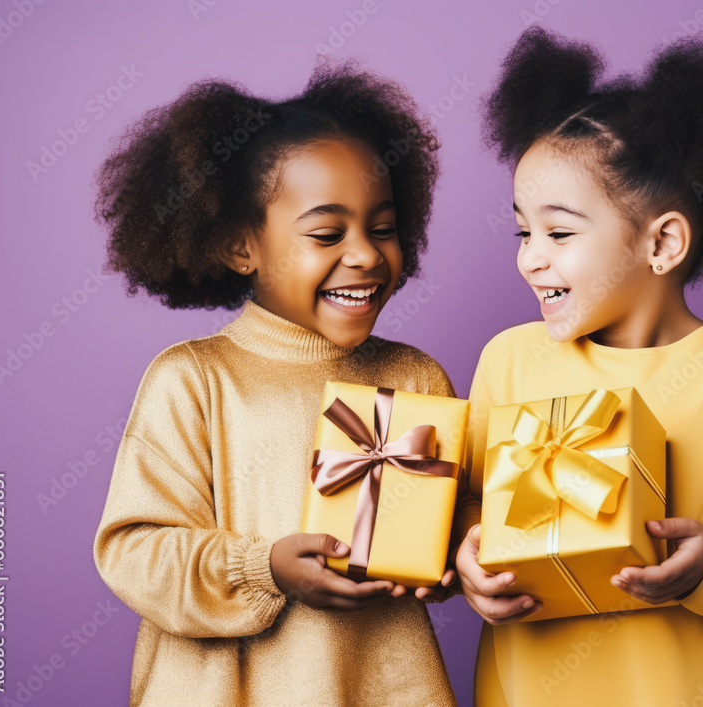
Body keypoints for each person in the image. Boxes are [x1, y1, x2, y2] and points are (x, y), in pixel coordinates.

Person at [452, 27, 703, 706]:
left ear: (662, 241)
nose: (530, 257)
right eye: (523, 231)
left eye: (559, 232)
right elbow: (469, 504)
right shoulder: (509, 360)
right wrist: (468, 556)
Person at [92, 57, 457, 706]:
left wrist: (458, 555)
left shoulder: (414, 375)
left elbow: (455, 527)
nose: (368, 255)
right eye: (326, 232)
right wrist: (265, 568)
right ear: (241, 246)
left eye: (383, 228)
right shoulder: (192, 379)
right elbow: (136, 552)